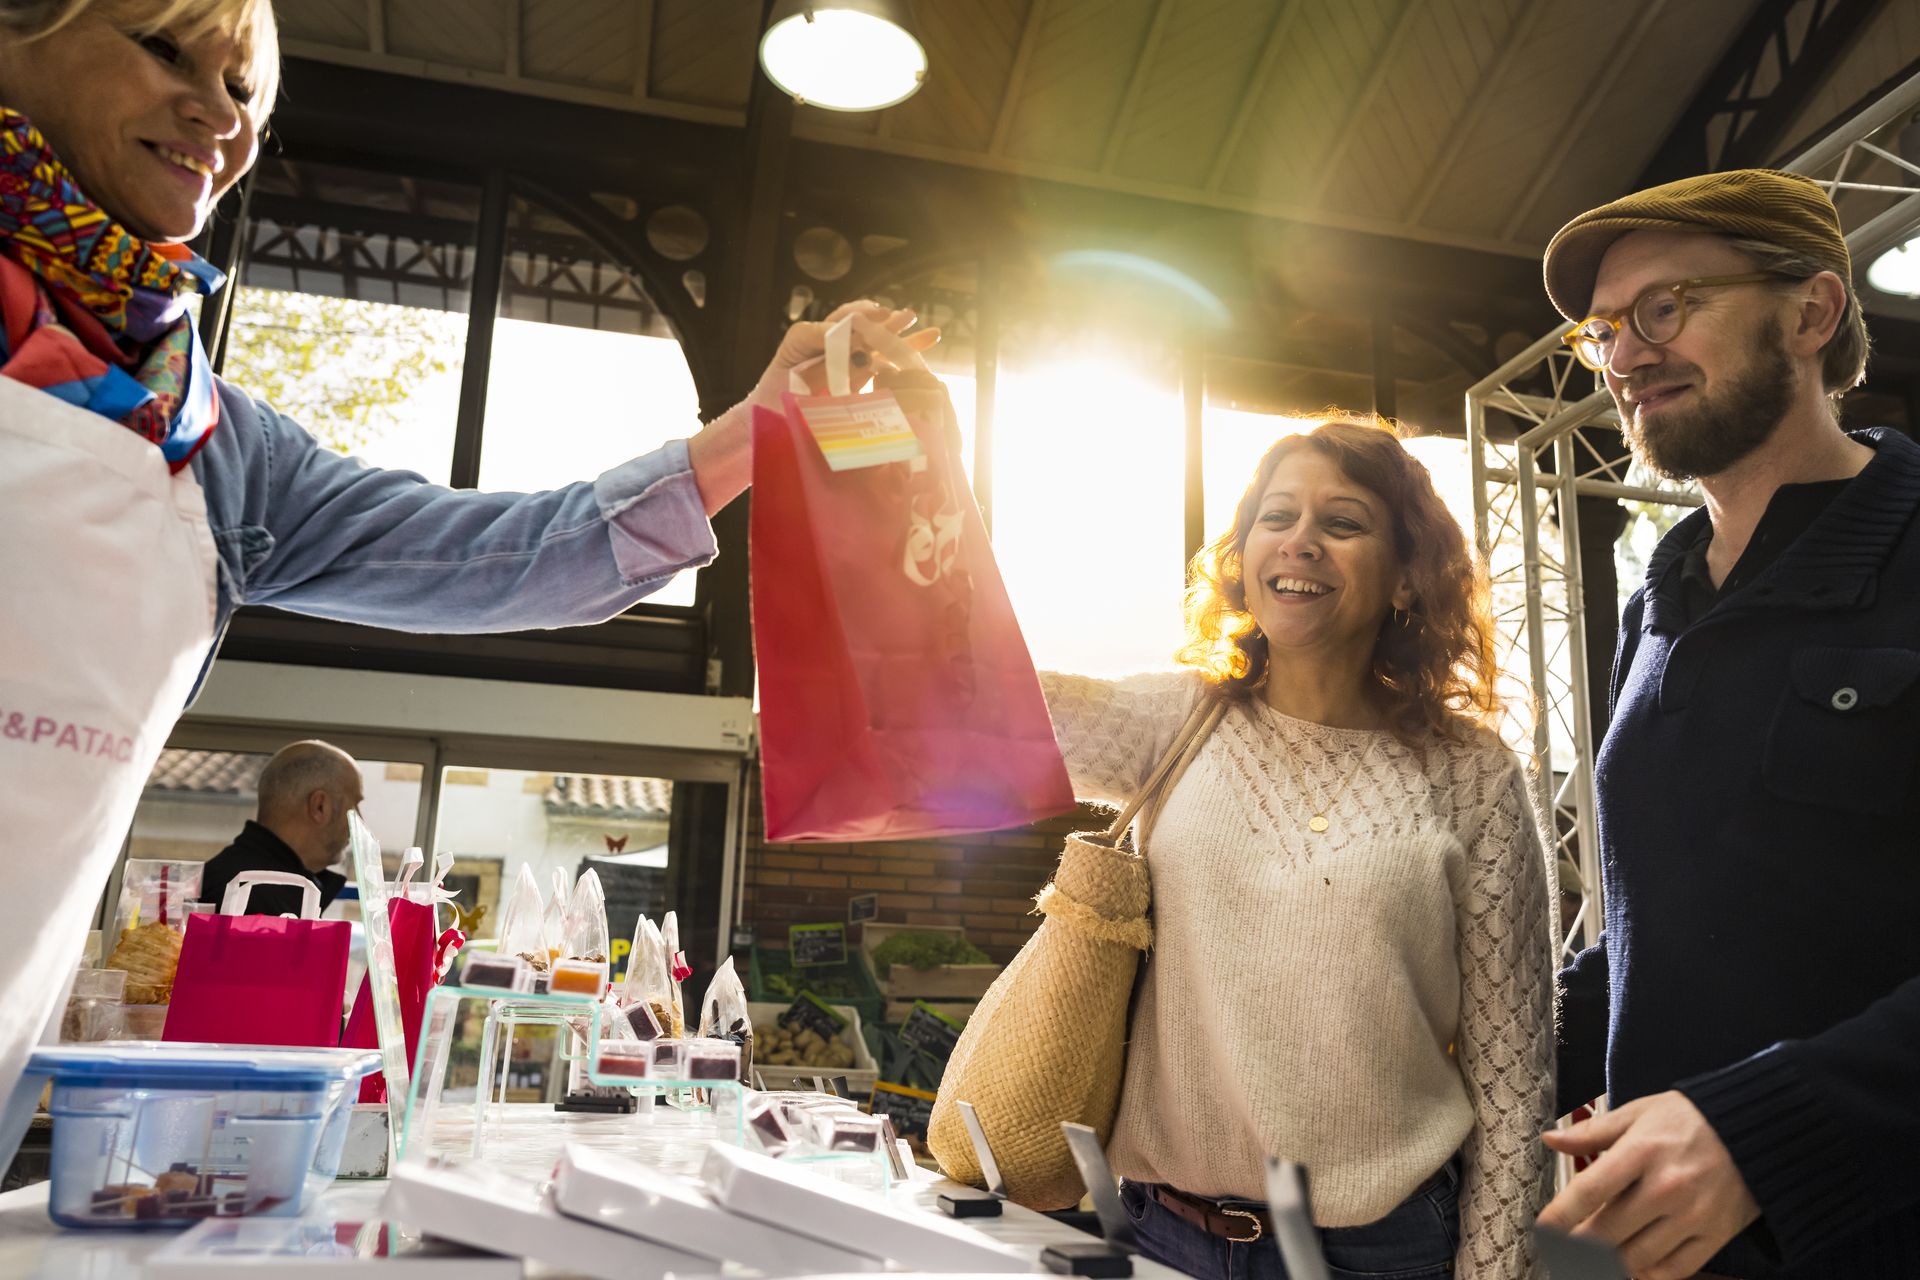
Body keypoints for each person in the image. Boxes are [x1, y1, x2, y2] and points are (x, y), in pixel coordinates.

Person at [0, 0, 929, 1118]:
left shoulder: (217, 448)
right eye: (164, 50)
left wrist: (755, 431)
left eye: (246, 89)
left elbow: (512, 557)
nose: (215, 110)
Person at [1032, 418, 1556, 1279]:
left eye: (1343, 524)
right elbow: (976, 695)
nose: (1301, 542)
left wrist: (1496, 1273)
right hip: (1163, 1235)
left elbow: (1512, 1078)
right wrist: (910, 445)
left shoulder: (1472, 776)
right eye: (1277, 518)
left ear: (1403, 579)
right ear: (1244, 559)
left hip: (1380, 1254)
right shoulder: (1174, 722)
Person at [1534, 169, 1915, 1279]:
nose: (1626, 356)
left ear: (1812, 311)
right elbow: (1678, 923)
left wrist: (1761, 1131)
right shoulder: (1661, 599)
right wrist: (1491, 1027)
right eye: (1603, 330)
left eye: (1667, 306)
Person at [198, 740, 360, 918]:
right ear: (320, 806)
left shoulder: (232, 880)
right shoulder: (268, 906)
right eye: (354, 806)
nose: (359, 821)